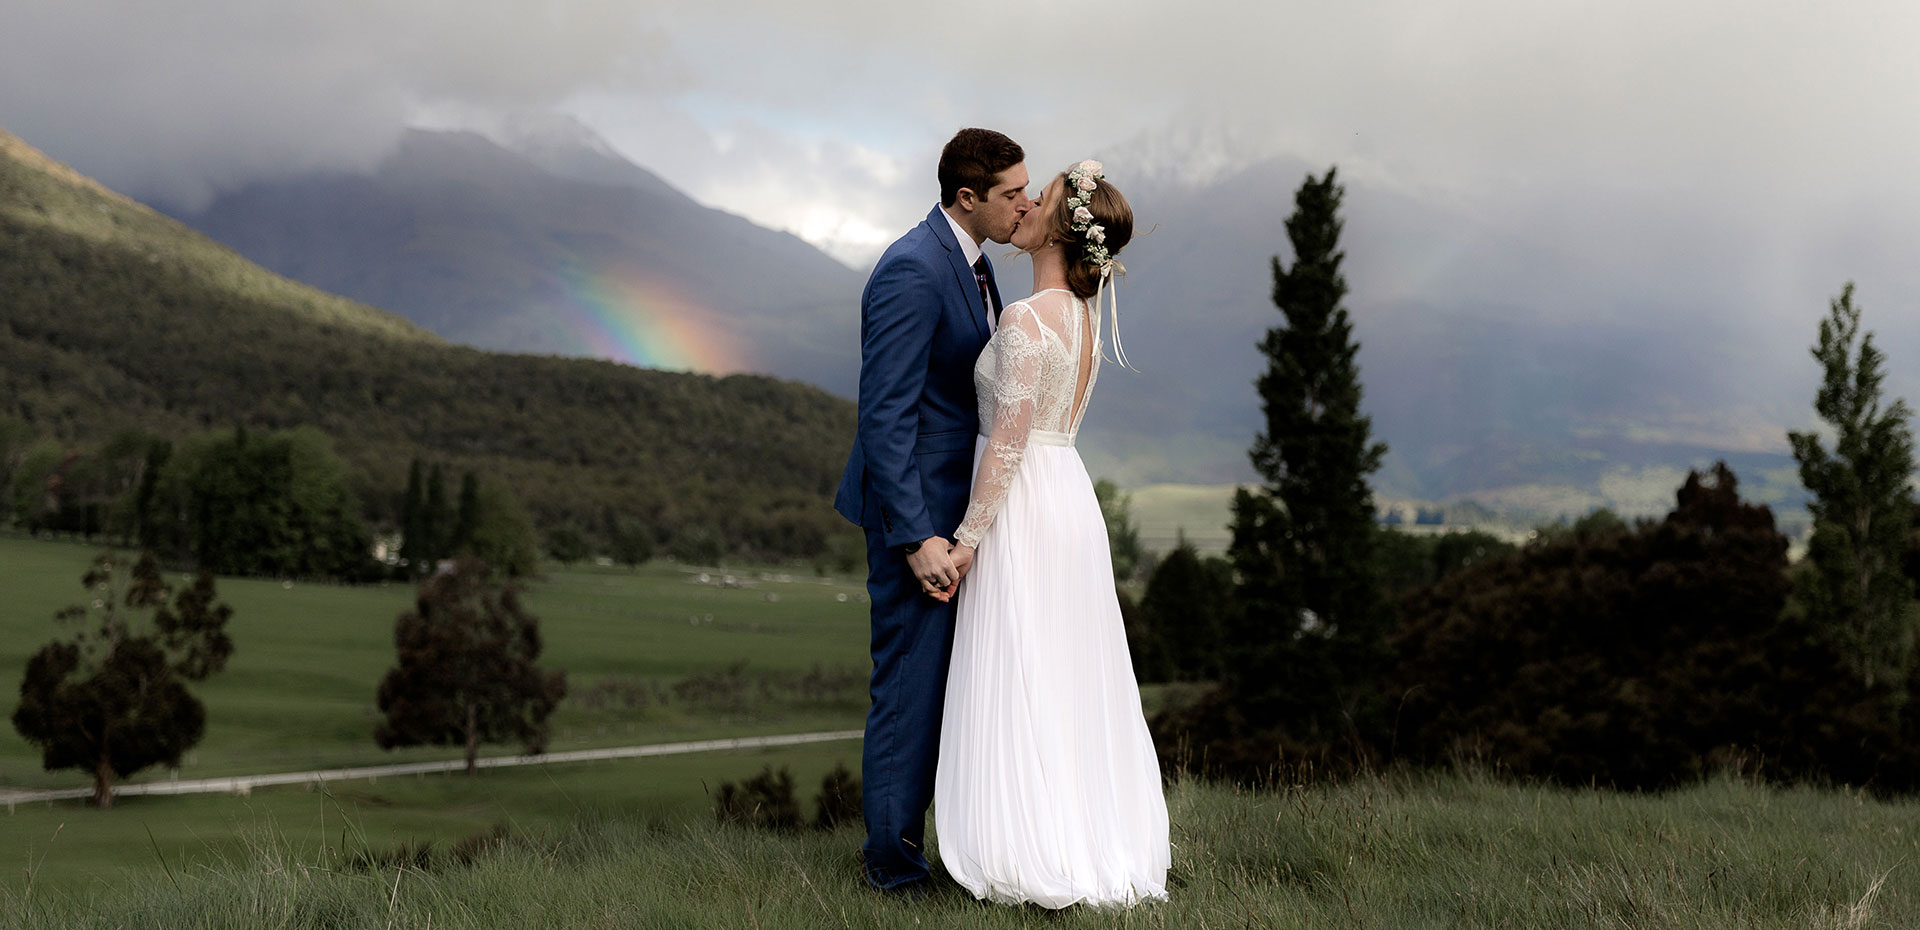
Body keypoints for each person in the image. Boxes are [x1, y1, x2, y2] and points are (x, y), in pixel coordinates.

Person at [934, 160, 1170, 908]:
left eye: (1041, 200)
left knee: (1023, 660)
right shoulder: (1085, 321)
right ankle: (1084, 834)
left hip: (1026, 499)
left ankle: (1027, 843)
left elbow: (1006, 442)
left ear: (1063, 229)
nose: (1027, 204)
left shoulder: (1027, 318)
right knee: (1066, 668)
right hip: (1068, 496)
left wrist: (968, 538)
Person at [832, 128, 1031, 894]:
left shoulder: (972, 265)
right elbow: (884, 415)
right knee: (910, 689)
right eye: (1011, 193)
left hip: (955, 515)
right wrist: (916, 535)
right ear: (967, 196)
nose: (1025, 203)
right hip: (914, 519)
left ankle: (945, 850)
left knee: (948, 687)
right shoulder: (915, 269)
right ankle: (891, 872)